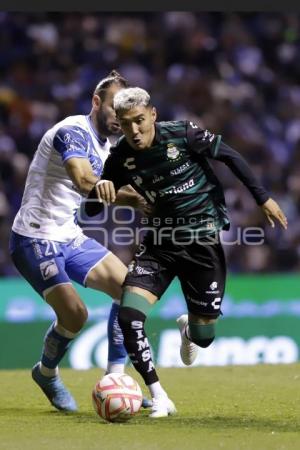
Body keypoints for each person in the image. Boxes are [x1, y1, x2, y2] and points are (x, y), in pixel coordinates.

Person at [90, 86, 288, 418]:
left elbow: (230, 156)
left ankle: (189, 329)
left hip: (201, 244)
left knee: (204, 336)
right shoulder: (121, 156)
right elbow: (94, 207)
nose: (134, 130)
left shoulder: (182, 134)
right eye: (126, 124)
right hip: (159, 243)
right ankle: (159, 394)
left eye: (139, 120)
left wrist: (262, 197)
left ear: (152, 114)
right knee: (129, 316)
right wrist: (101, 191)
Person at [9, 72, 152, 412]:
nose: (119, 119)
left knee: (129, 290)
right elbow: (83, 178)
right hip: (34, 237)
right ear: (96, 102)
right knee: (75, 315)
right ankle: (46, 373)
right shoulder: (71, 131)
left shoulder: (111, 146)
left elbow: (128, 185)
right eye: (114, 110)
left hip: (68, 235)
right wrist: (130, 199)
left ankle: (115, 379)